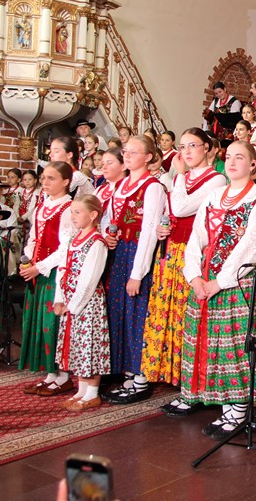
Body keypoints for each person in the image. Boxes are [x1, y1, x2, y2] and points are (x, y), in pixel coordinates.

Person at [182, 141, 256, 439]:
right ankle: (227, 408)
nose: (231, 162)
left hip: (240, 282)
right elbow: (196, 238)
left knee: (238, 345)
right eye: (228, 157)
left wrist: (219, 282)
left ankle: (239, 410)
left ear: (253, 164)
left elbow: (251, 246)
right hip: (207, 280)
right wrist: (194, 276)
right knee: (217, 346)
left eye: (240, 157)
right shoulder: (213, 196)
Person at [146, 130, 226, 415]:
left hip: (194, 255)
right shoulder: (183, 178)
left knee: (188, 316)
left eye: (193, 145)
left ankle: (193, 383)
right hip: (171, 249)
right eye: (182, 147)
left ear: (207, 148)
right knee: (168, 313)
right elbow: (172, 213)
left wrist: (178, 175)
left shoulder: (216, 179)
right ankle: (173, 374)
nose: (187, 152)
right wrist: (162, 226)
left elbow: (181, 207)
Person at [102, 135, 164, 405]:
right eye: (125, 152)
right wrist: (108, 236)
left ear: (148, 157)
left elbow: (149, 231)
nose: (126, 156)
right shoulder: (121, 185)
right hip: (119, 254)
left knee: (138, 312)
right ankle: (127, 370)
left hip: (137, 254)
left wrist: (138, 272)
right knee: (120, 311)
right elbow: (111, 219)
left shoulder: (153, 187)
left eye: (133, 152)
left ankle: (141, 376)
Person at [19, 162, 75, 396]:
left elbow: (66, 248)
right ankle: (50, 373)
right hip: (38, 271)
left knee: (53, 323)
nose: (45, 182)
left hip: (55, 272)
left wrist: (40, 267)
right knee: (39, 321)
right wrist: (29, 259)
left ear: (65, 181)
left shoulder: (69, 208)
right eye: (43, 178)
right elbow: (33, 237)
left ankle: (63, 376)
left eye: (51, 178)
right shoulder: (42, 207)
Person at [52, 195, 111, 411]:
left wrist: (74, 304)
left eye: (78, 212)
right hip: (70, 302)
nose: (73, 216)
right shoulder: (73, 239)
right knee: (76, 345)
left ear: (93, 215)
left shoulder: (96, 243)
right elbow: (63, 269)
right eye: (72, 212)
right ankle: (81, 390)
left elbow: (89, 279)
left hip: (87, 303)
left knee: (89, 345)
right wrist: (59, 298)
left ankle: (92, 392)